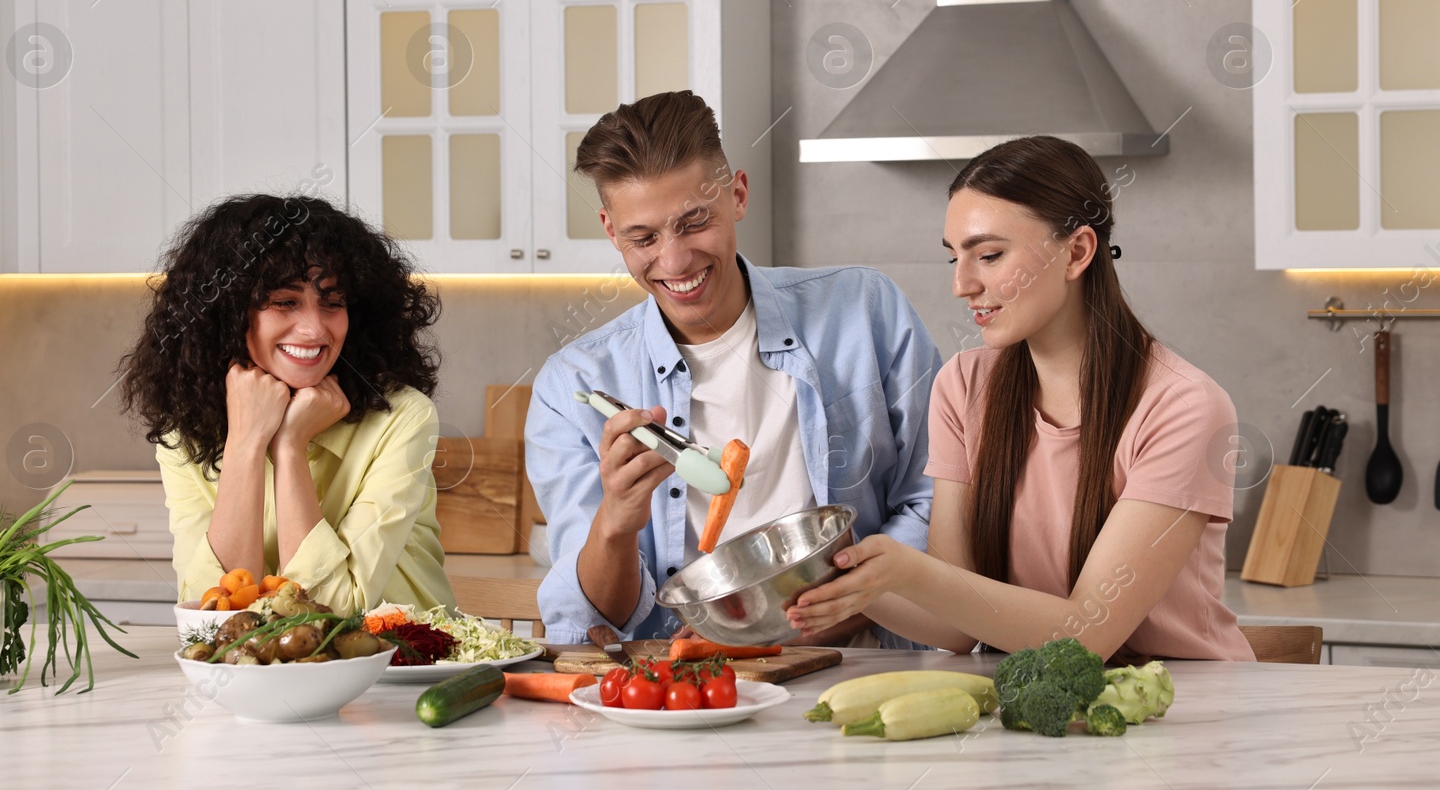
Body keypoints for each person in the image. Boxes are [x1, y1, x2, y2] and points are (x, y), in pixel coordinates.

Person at [789, 136, 1255, 661]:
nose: (962, 285)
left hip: (1184, 713)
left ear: (1077, 252)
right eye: (954, 260)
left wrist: (909, 568)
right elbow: (957, 625)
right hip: (1040, 715)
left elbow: (1085, 637)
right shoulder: (964, 386)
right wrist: (843, 576)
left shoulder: (1184, 408)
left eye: (988, 255)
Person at [525, 92, 941, 646]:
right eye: (643, 238)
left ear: (737, 195)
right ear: (611, 230)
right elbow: (600, 623)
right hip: (683, 690)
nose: (674, 263)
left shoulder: (865, 311)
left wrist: (815, 625)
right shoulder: (572, 385)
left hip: (862, 669)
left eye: (694, 223)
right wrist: (617, 523)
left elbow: (935, 502)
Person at [120, 193, 454, 618]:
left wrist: (289, 445)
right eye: (285, 301)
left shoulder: (404, 416)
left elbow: (331, 611)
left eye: (333, 303)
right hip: (258, 676)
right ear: (226, 313)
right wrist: (246, 440)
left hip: (403, 672)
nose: (315, 329)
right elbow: (215, 616)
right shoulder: (184, 428)